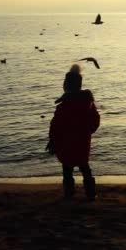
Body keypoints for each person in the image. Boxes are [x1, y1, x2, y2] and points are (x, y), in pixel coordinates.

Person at [49, 65, 100, 200]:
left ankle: (69, 193)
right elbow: (95, 120)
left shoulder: (63, 106)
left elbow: (55, 126)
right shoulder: (88, 103)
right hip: (83, 140)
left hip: (67, 142)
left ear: (66, 86)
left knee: (67, 168)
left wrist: (53, 141)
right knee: (84, 166)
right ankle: (91, 193)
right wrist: (89, 130)